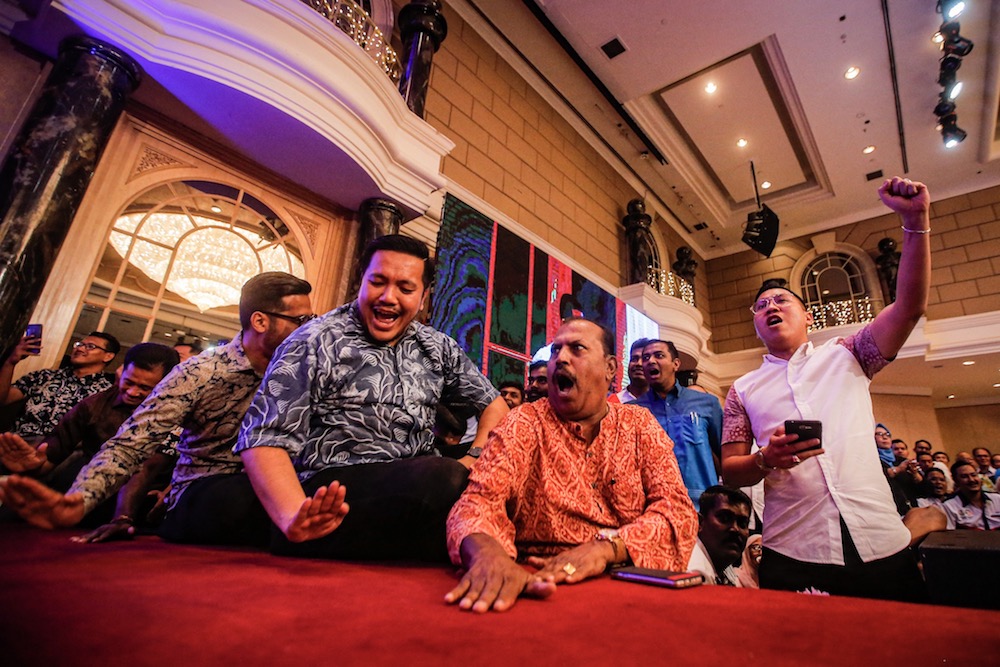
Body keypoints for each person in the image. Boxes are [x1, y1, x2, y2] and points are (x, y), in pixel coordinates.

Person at [720, 177, 931, 602]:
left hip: (880, 541)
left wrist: (915, 221)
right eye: (762, 307)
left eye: (782, 300)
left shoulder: (849, 353)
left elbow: (909, 308)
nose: (771, 307)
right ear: (756, 324)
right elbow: (731, 469)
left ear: (808, 317)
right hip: (795, 548)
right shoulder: (742, 389)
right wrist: (766, 458)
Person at [234, 235, 508, 560]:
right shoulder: (314, 340)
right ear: (360, 282)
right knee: (445, 478)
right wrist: (292, 515)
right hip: (333, 488)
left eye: (405, 289)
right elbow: (263, 436)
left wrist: (473, 458)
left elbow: (495, 405)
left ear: (424, 296)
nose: (388, 297)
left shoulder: (437, 346)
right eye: (377, 282)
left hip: (416, 475)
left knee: (491, 469)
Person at [0, 272, 314, 546]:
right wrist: (78, 501)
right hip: (203, 491)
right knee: (252, 497)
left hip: (278, 483)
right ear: (260, 321)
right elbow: (132, 444)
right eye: (301, 321)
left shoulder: (300, 371)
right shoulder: (200, 372)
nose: (309, 329)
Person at [444, 317, 697, 613]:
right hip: (537, 582)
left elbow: (677, 510)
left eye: (577, 348)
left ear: (610, 369)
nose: (560, 358)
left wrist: (606, 550)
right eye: (555, 351)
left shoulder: (639, 425)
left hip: (626, 578)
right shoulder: (523, 423)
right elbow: (478, 501)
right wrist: (487, 554)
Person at [0, 343, 180, 493]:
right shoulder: (94, 405)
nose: (132, 392)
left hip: (146, 496)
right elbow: (52, 457)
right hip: (90, 487)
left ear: (166, 384)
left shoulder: (177, 412)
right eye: (129, 382)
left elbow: (149, 469)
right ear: (121, 373)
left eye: (145, 387)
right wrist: (31, 465)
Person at [634, 339, 722, 505]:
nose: (650, 361)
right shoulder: (632, 411)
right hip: (652, 508)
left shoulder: (707, 403)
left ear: (676, 364)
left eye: (658, 355)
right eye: (645, 358)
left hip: (702, 507)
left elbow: (724, 457)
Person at [1, 330, 119, 441]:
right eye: (79, 344)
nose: (80, 349)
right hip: (14, 441)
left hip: (56, 454)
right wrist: (10, 363)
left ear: (108, 356)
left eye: (90, 346)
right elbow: (3, 400)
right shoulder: (44, 376)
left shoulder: (105, 393)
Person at [686, 486, 751, 587]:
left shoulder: (725, 568)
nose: (735, 529)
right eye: (724, 519)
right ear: (700, 523)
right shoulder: (694, 572)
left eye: (742, 523)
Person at [941, 461, 1000, 530]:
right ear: (956, 481)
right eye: (964, 477)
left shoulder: (997, 499)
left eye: (973, 475)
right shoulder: (949, 506)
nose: (971, 480)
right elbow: (950, 535)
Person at [611, 338, 649, 403]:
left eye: (644, 359)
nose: (639, 363)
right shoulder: (612, 403)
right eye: (634, 359)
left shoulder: (664, 404)